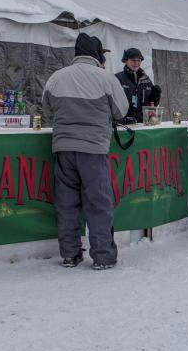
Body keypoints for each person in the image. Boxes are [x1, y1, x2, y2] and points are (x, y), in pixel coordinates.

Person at [42, 33, 129, 270]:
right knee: (98, 202)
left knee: (66, 203)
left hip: (63, 149)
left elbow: (47, 110)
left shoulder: (55, 78)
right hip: (93, 149)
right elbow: (121, 110)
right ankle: (102, 256)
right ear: (97, 54)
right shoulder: (106, 78)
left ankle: (70, 254)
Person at [115, 48, 162, 123]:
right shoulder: (118, 78)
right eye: (133, 60)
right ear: (126, 61)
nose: (136, 63)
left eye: (138, 60)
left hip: (143, 123)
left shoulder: (146, 79)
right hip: (125, 125)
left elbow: (152, 106)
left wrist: (155, 97)